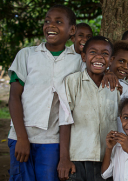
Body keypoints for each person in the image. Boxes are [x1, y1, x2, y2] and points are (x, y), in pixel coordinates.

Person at [7, 5, 81, 181]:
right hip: (20, 136)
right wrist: (22, 138)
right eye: (47, 21)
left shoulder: (78, 61)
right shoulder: (27, 55)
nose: (50, 25)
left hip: (51, 141)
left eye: (58, 22)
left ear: (72, 30)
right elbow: (14, 97)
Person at [61, 36, 118, 181]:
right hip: (77, 159)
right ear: (84, 57)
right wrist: (64, 159)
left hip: (107, 161)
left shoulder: (116, 87)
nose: (99, 57)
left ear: (111, 60)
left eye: (105, 54)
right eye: (93, 52)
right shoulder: (72, 82)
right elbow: (65, 121)